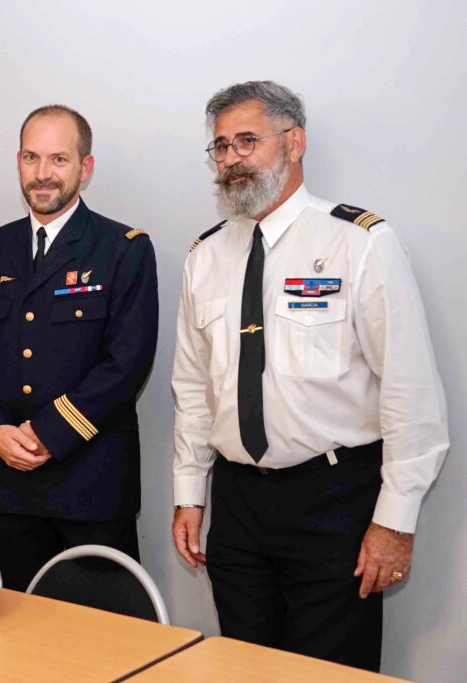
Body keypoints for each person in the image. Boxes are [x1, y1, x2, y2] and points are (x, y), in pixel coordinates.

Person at [171, 81, 449, 671]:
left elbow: (410, 393)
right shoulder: (205, 256)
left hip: (334, 500)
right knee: (246, 666)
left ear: (293, 143)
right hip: (239, 501)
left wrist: (394, 522)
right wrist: (190, 493)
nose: (231, 159)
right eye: (220, 148)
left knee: (331, 670)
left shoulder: (359, 243)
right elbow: (193, 390)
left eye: (247, 141)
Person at [0, 105, 158, 591]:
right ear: (18, 162)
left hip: (91, 481)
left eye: (59, 159)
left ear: (85, 168)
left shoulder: (122, 248)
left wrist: (48, 433)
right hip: (12, 481)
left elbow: (126, 362)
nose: (43, 173)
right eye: (31, 157)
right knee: (26, 633)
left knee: (104, 638)